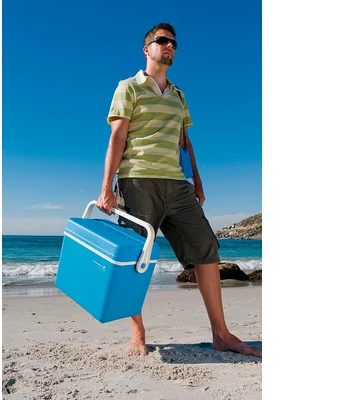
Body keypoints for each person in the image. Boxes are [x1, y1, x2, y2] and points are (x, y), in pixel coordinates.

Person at [96, 23, 261, 358]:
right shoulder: (128, 87)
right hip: (137, 180)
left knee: (205, 248)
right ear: (147, 49)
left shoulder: (179, 95)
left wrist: (197, 181)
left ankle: (221, 335)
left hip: (178, 184)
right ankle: (137, 333)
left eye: (173, 43)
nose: (169, 46)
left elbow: (185, 142)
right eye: (162, 41)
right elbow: (118, 137)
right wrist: (106, 188)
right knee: (135, 257)